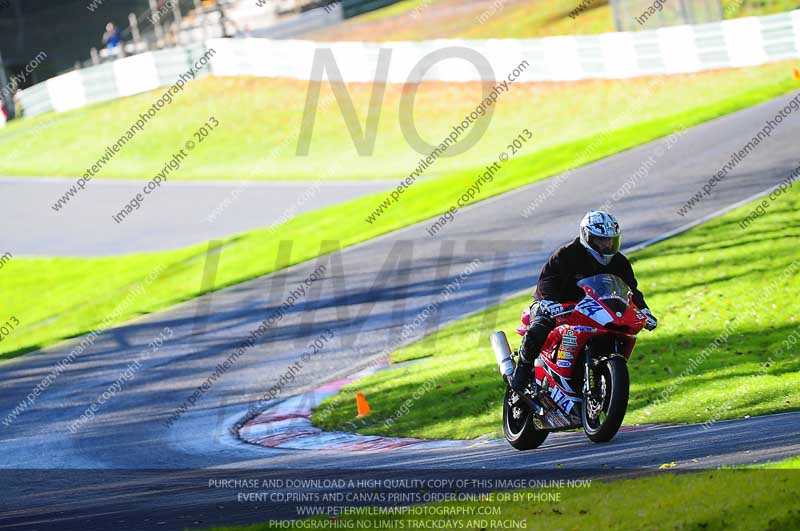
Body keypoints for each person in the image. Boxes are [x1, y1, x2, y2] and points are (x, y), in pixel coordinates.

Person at [509, 210, 658, 393]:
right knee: (540, 324)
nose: (607, 244)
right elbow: (547, 280)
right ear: (587, 236)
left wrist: (644, 310)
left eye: (611, 240)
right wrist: (549, 302)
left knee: (617, 329)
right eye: (601, 240)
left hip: (592, 307)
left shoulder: (620, 262)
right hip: (557, 304)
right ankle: (522, 371)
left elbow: (631, 290)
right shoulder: (566, 254)